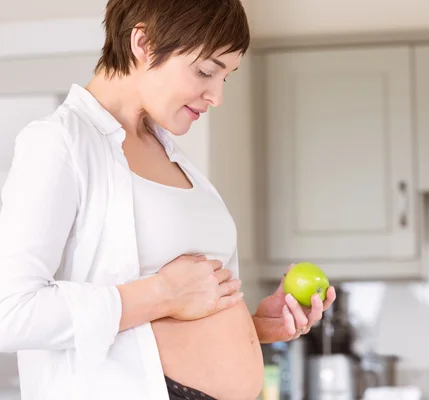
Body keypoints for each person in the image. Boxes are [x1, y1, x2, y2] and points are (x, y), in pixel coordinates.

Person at [0, 0, 336, 399]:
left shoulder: (173, 156)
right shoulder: (60, 143)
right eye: (206, 71)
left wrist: (254, 327)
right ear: (142, 42)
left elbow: (176, 317)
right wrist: (162, 293)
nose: (216, 96)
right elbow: (10, 312)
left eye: (225, 78)